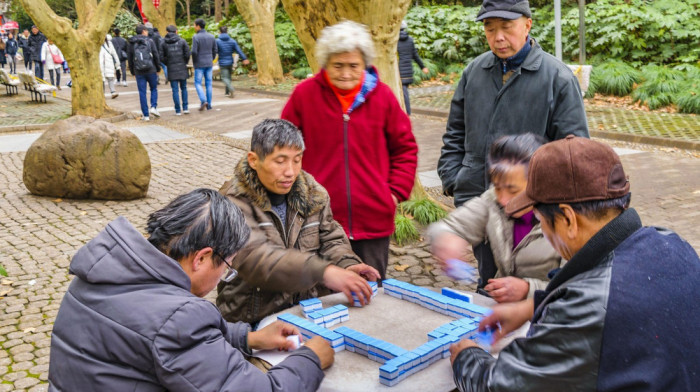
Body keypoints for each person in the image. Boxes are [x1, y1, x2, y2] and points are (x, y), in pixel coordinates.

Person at [449, 135, 700, 391]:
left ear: (568, 219)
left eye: (540, 220)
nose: (543, 230)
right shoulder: (673, 243)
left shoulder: (589, 303)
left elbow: (504, 386)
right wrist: (533, 307)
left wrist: (467, 358)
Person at [48, 188, 333, 391]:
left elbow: (158, 340)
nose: (224, 276)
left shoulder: (100, 273)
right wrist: (309, 359)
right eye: (227, 267)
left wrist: (251, 337)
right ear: (201, 258)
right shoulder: (178, 318)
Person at [437, 0, 589, 291]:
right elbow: (455, 132)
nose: (498, 38)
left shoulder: (558, 78)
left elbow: (574, 151)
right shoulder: (474, 72)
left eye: (506, 27)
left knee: (533, 291)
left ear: (527, 24)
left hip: (533, 218)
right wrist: (454, 179)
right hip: (478, 201)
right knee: (489, 282)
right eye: (490, 29)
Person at [281, 21, 418, 281]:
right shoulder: (304, 96)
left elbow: (405, 148)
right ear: (325, 64)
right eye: (338, 66)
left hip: (373, 221)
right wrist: (296, 196)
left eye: (353, 66)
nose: (345, 73)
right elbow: (283, 149)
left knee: (370, 290)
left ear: (364, 64)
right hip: (318, 221)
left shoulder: (383, 97)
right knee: (321, 293)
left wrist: (394, 193)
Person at [217, 119, 381, 325]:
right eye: (280, 161)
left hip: (307, 313)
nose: (290, 172)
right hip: (251, 318)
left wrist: (346, 265)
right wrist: (324, 272)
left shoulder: (314, 193)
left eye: (297, 160)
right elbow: (256, 259)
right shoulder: (232, 202)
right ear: (253, 160)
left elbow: (331, 238)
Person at [430, 134, 561, 303]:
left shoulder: (567, 220)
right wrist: (445, 240)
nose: (504, 200)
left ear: (540, 184)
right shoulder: (493, 200)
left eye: (513, 191)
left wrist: (528, 290)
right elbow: (450, 226)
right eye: (498, 187)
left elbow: (581, 290)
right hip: (506, 313)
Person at [128, 24, 161, 121]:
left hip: (139, 71)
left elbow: (130, 59)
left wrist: (132, 71)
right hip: (151, 69)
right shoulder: (150, 41)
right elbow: (155, 55)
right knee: (154, 89)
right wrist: (158, 68)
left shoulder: (131, 43)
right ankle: (153, 107)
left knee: (142, 92)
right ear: (143, 31)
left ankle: (146, 115)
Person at [397, 20, 428, 115]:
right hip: (408, 72)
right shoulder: (410, 40)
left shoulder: (394, 41)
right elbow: (415, 55)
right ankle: (405, 112)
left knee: (402, 93)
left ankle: (406, 113)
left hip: (399, 71)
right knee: (404, 92)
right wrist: (423, 67)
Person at [160, 25, 191, 115]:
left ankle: (177, 110)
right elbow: (187, 53)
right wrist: (184, 62)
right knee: (184, 88)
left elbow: (161, 57)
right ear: (176, 31)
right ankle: (185, 108)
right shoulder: (182, 41)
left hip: (171, 68)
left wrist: (168, 62)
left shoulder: (163, 43)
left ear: (167, 32)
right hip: (182, 67)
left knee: (175, 90)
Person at [216, 25, 249, 98]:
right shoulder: (232, 41)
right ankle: (227, 92)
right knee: (228, 77)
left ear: (219, 32)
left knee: (224, 78)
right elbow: (239, 50)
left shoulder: (217, 41)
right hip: (230, 62)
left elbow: (215, 51)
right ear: (227, 32)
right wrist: (244, 58)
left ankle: (231, 89)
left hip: (222, 62)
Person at [191, 18, 217, 111]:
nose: (194, 27)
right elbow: (215, 50)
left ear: (198, 26)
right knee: (209, 84)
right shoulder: (212, 36)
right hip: (209, 63)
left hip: (199, 63)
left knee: (198, 83)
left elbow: (194, 51)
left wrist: (194, 61)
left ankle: (203, 100)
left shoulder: (196, 37)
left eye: (194, 25)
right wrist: (211, 59)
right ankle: (209, 104)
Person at [99, 34, 120, 99]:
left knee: (102, 80)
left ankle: (102, 94)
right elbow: (115, 54)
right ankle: (113, 92)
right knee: (110, 79)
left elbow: (100, 58)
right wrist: (118, 64)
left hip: (102, 64)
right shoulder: (109, 43)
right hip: (109, 63)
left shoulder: (99, 45)